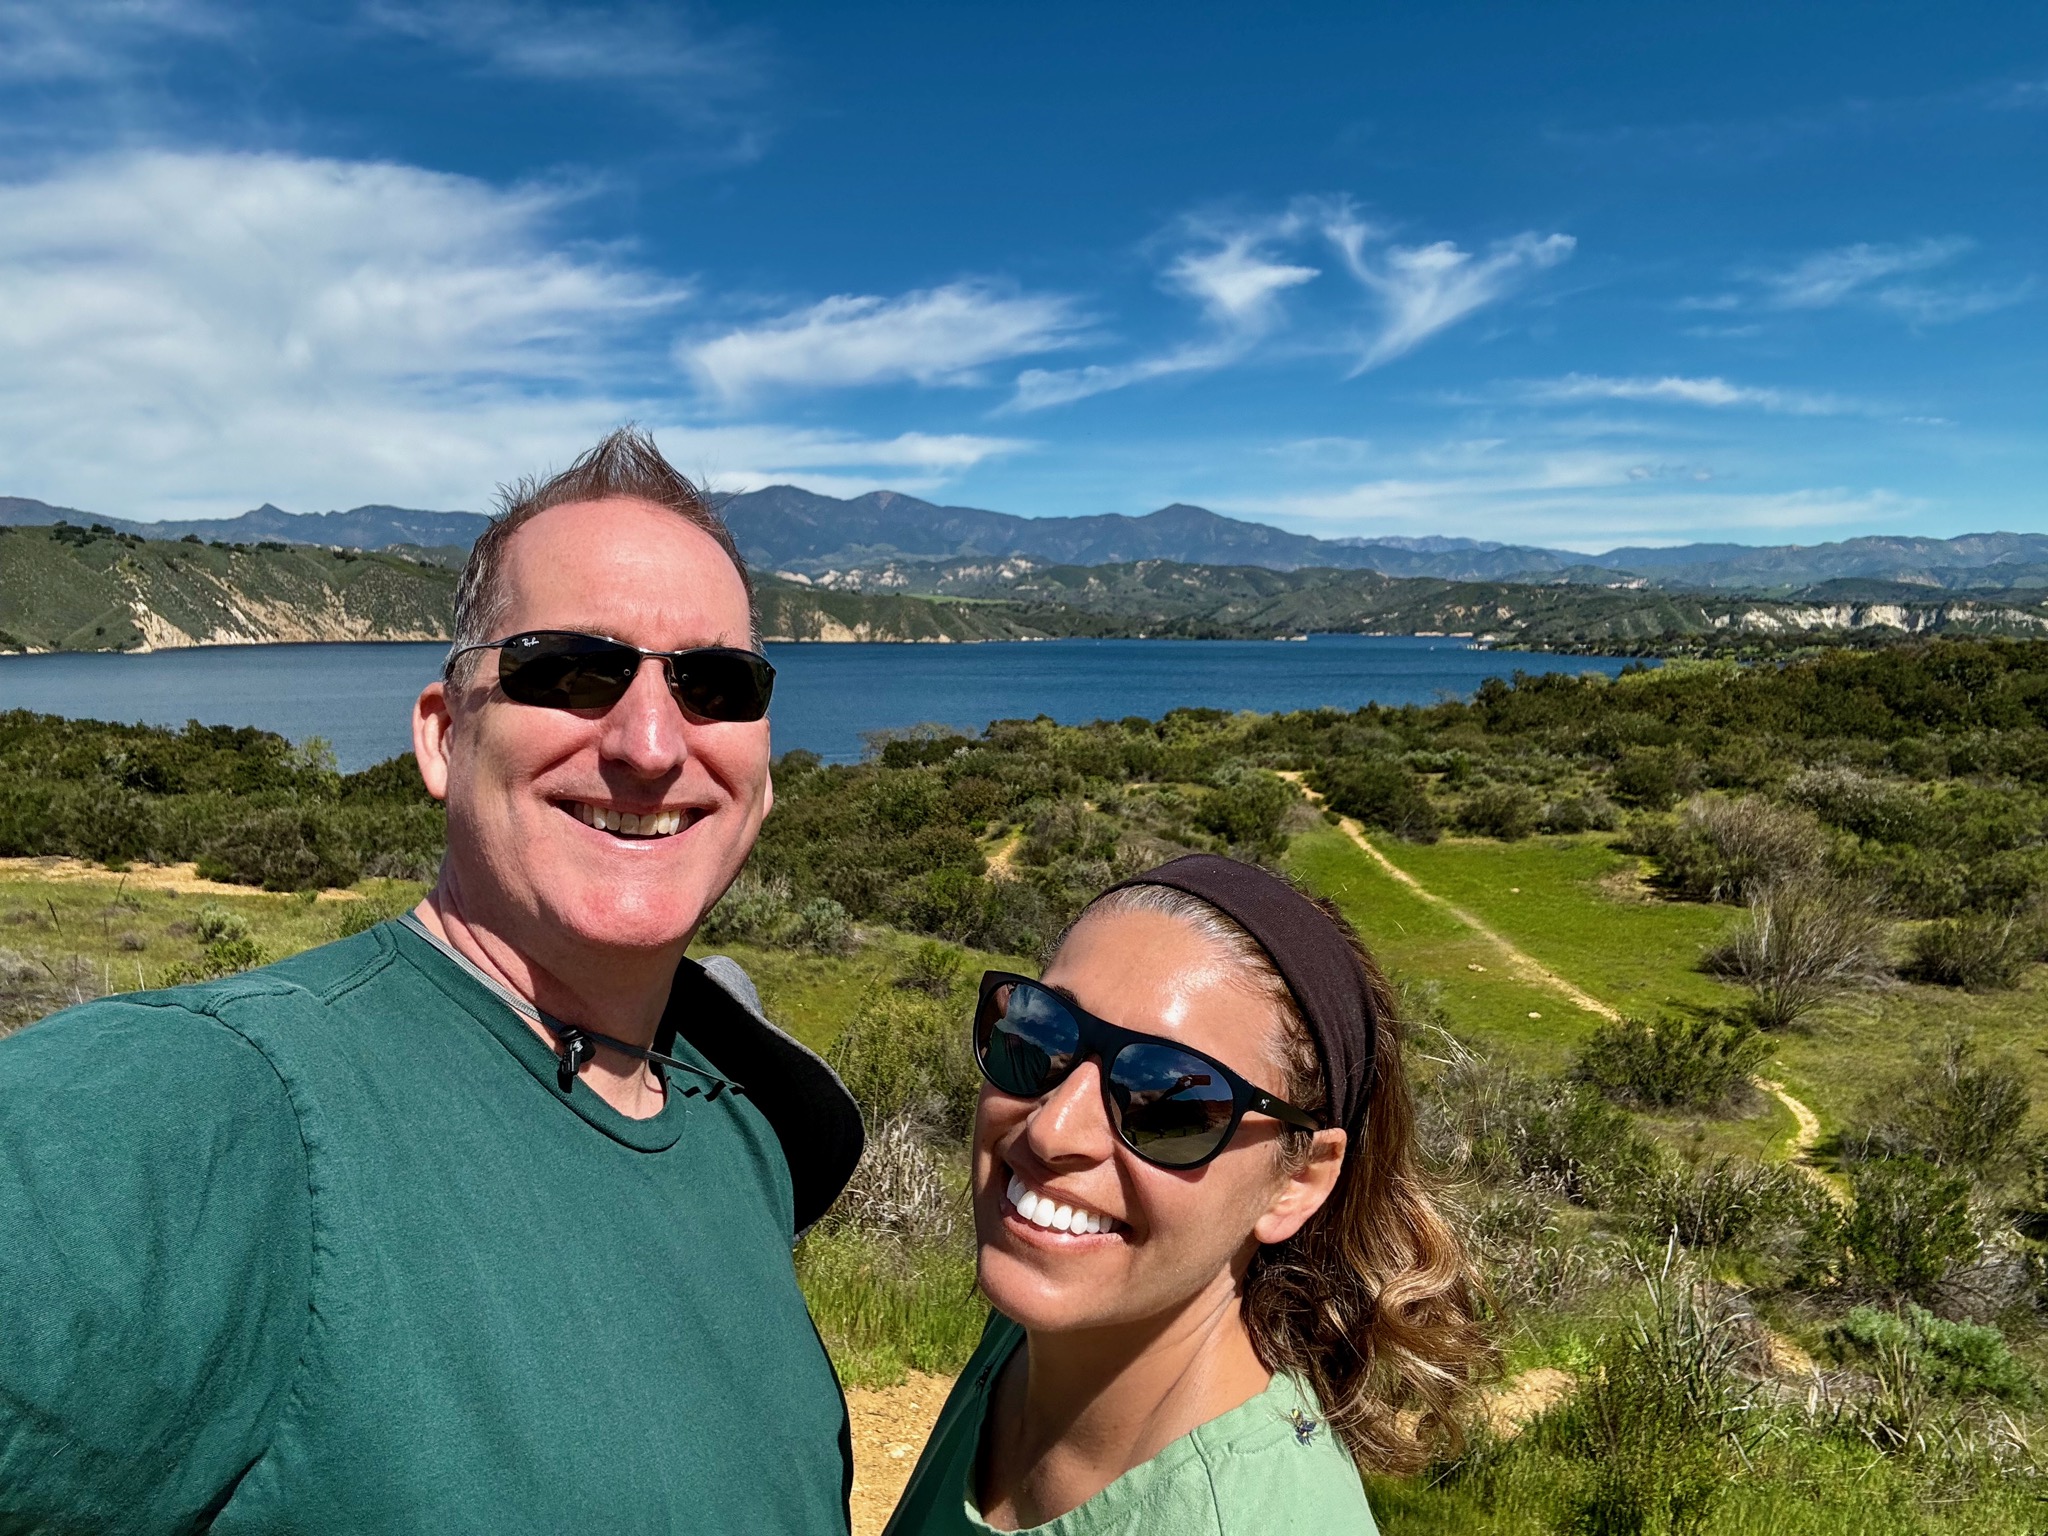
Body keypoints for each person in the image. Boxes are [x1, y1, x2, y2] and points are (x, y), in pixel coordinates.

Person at [0, 429, 865, 1533]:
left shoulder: (736, 1118)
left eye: (714, 683)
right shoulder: (212, 1102)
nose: (651, 741)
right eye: (571, 671)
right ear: (444, 736)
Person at [885, 854, 1488, 1536]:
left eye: (1167, 1101)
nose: (1053, 1129)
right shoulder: (1042, 1338)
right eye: (1037, 1034)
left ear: (1298, 1181)